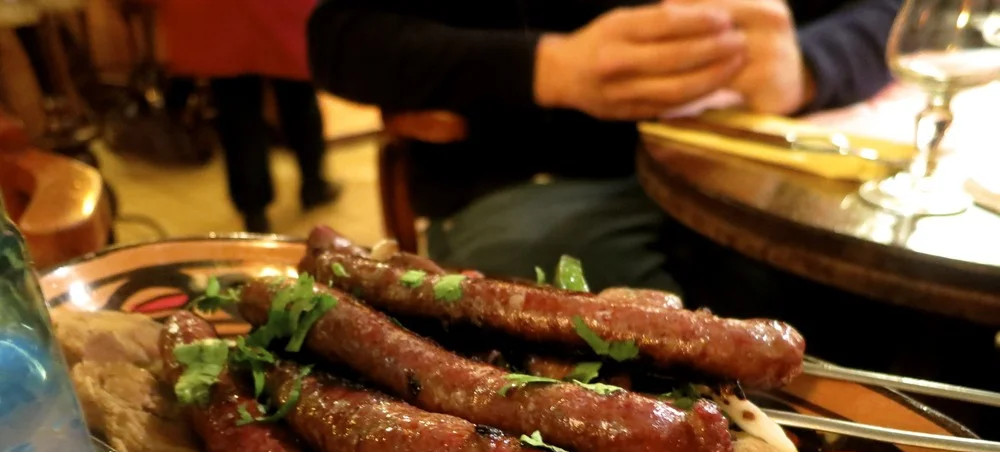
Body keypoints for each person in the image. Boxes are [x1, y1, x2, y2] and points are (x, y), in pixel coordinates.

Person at [307, 0, 900, 292]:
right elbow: (342, 40)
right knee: (555, 298)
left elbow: (897, 12)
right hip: (539, 180)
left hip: (766, 167)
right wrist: (547, 68)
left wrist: (811, 64)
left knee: (893, 301)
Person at [155, 0, 340, 233]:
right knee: (298, 99)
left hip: (221, 16)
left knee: (237, 117)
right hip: (279, 12)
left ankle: (254, 209)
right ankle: (314, 184)